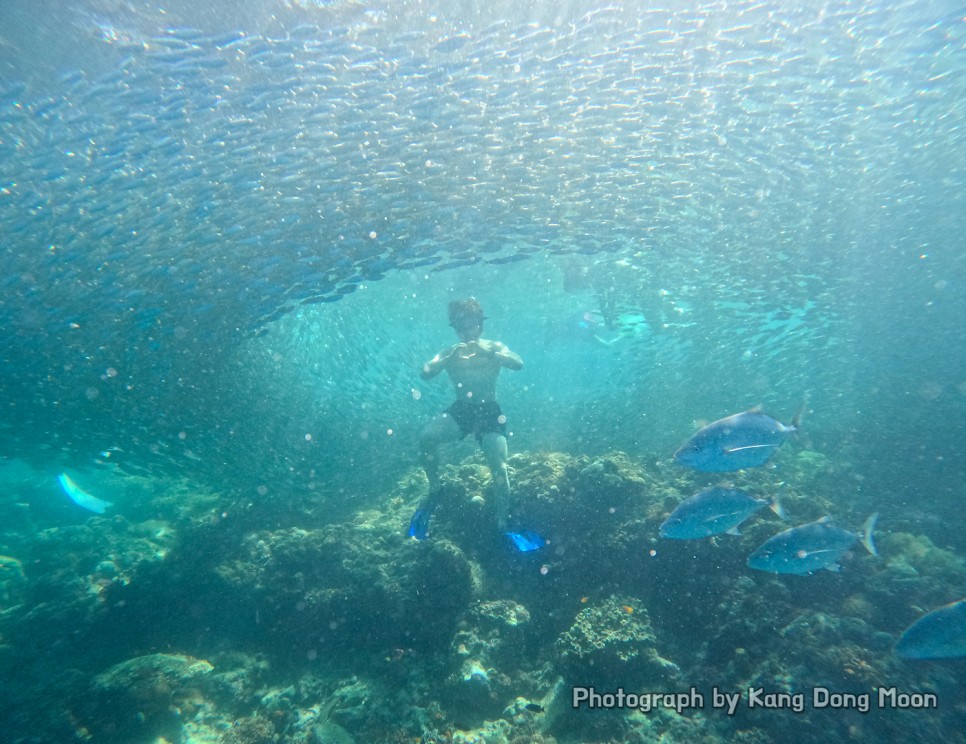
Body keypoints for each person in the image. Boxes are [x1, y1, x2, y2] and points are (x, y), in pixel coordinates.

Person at [408, 299, 541, 551]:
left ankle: (503, 522)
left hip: (490, 411)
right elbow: (425, 373)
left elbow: (518, 363)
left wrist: (492, 353)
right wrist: (443, 360)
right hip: (462, 410)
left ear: (480, 325)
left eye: (472, 326)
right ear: (455, 328)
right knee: (426, 437)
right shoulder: (450, 352)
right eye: (461, 327)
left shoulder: (493, 346)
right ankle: (435, 487)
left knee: (499, 468)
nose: (467, 332)